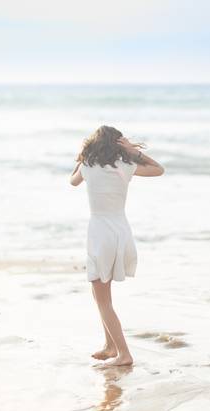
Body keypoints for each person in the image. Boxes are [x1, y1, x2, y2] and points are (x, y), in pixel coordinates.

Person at [69, 125, 164, 367]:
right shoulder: (124, 167)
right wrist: (134, 152)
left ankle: (124, 353)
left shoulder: (87, 167)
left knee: (102, 299)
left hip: (100, 234)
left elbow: (72, 181)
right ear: (117, 146)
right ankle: (110, 346)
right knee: (101, 294)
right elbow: (159, 170)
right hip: (121, 231)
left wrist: (81, 155)